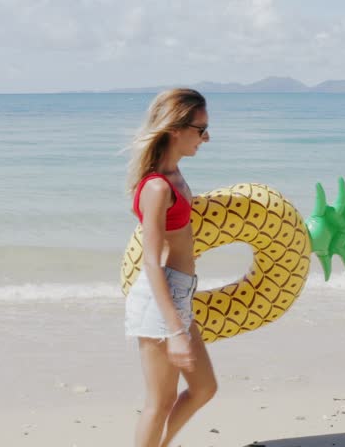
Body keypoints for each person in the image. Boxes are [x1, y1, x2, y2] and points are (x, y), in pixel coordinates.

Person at [124, 88, 216, 446]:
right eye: (201, 129)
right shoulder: (157, 188)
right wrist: (175, 331)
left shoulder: (175, 174)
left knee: (204, 388)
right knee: (159, 402)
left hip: (180, 292)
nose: (206, 138)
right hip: (160, 296)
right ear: (175, 129)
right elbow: (150, 261)